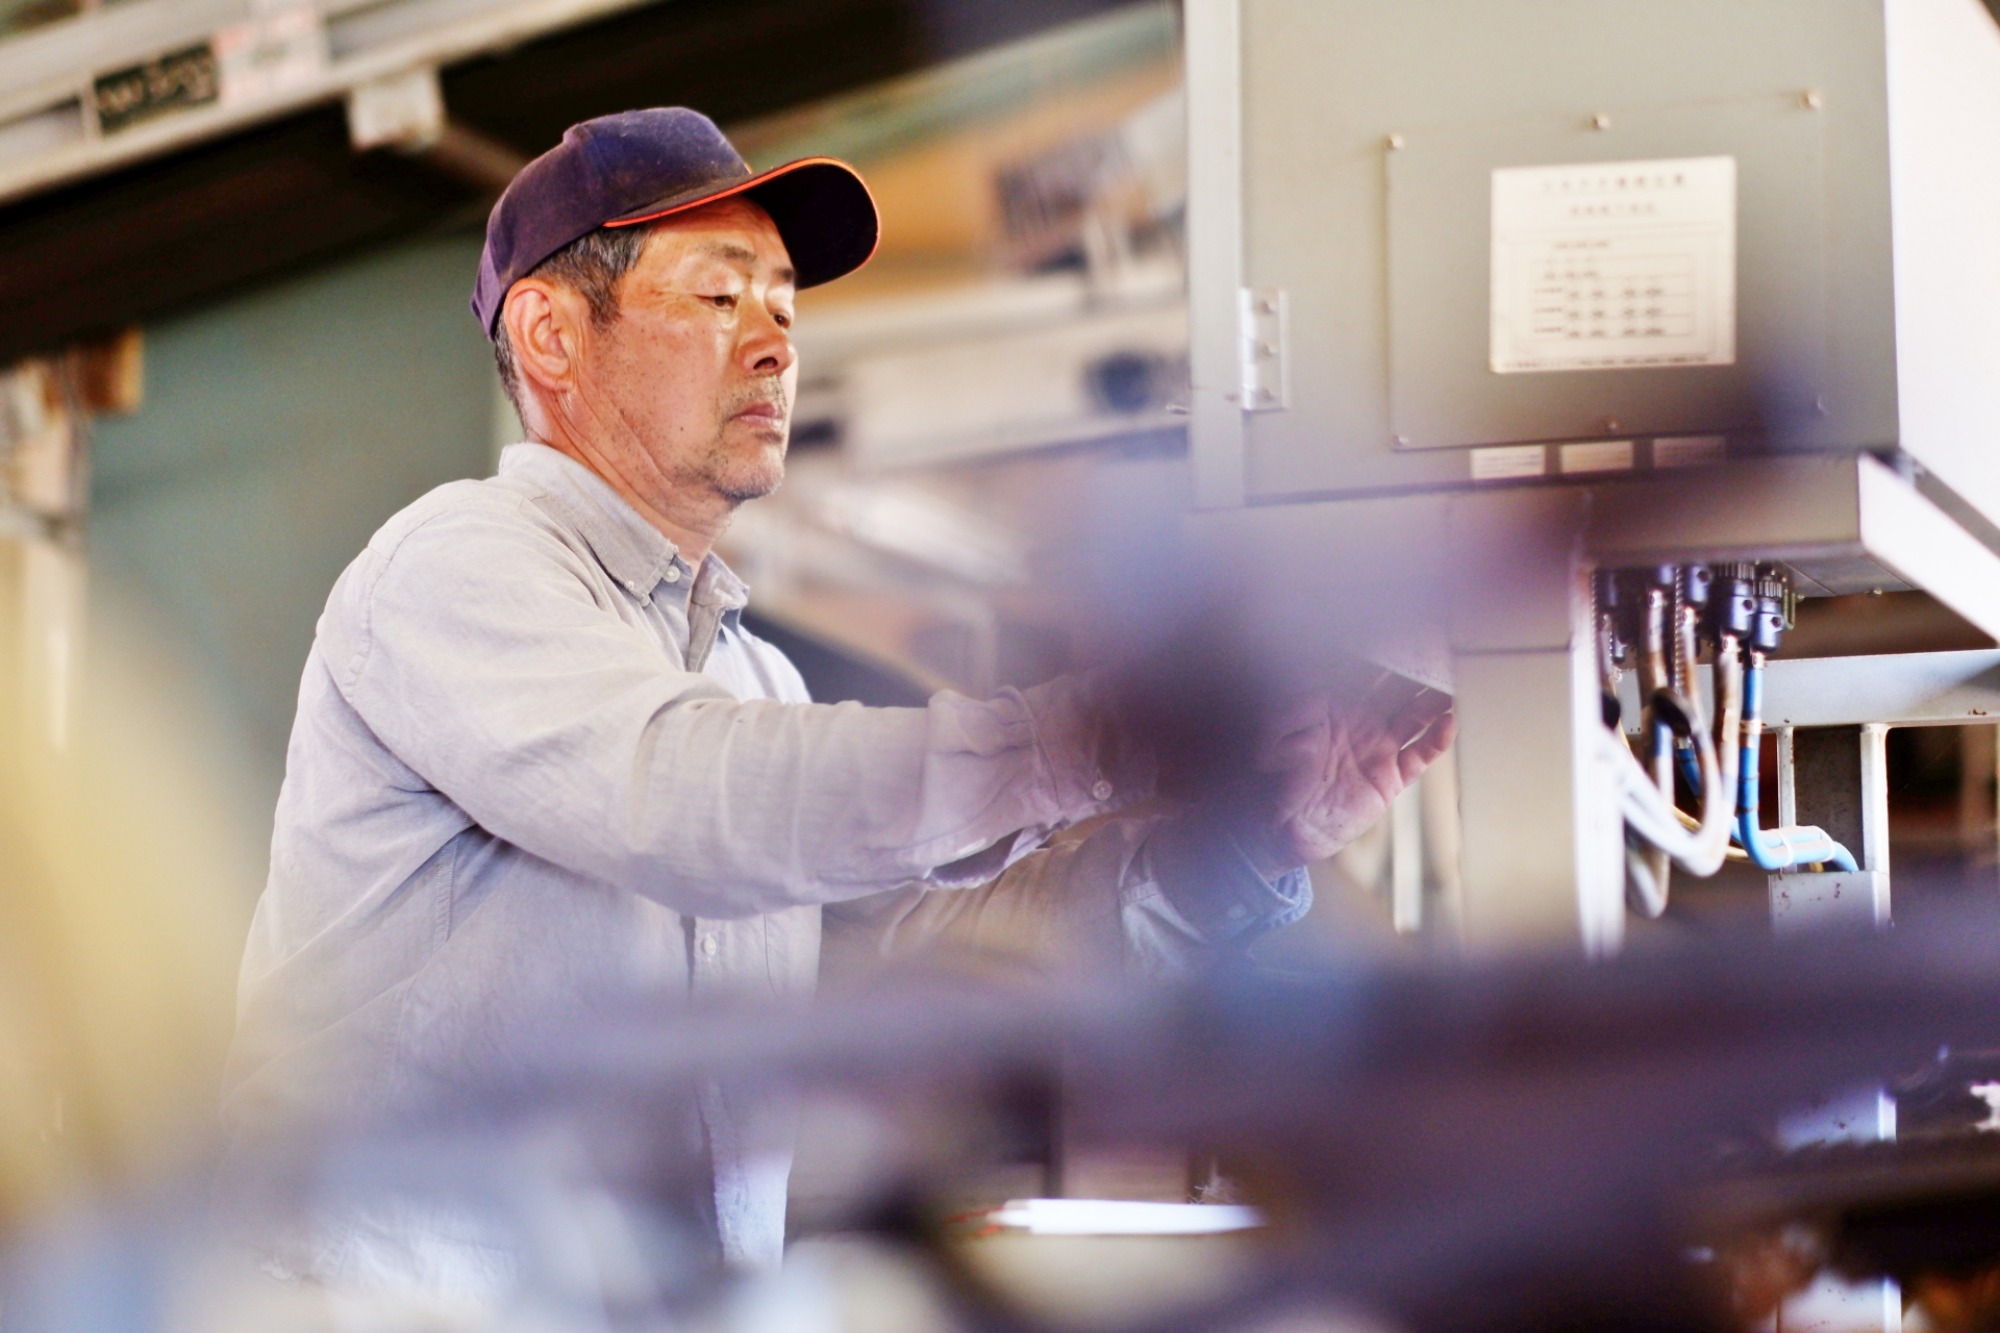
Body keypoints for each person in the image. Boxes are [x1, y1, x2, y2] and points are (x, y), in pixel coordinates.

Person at [218, 107, 1454, 1294]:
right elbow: (691, 802)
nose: (772, 342)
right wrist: (1107, 734)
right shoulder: (452, 566)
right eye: (716, 295)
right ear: (549, 336)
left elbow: (931, 979)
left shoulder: (754, 676)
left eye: (783, 303)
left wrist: (1227, 848)